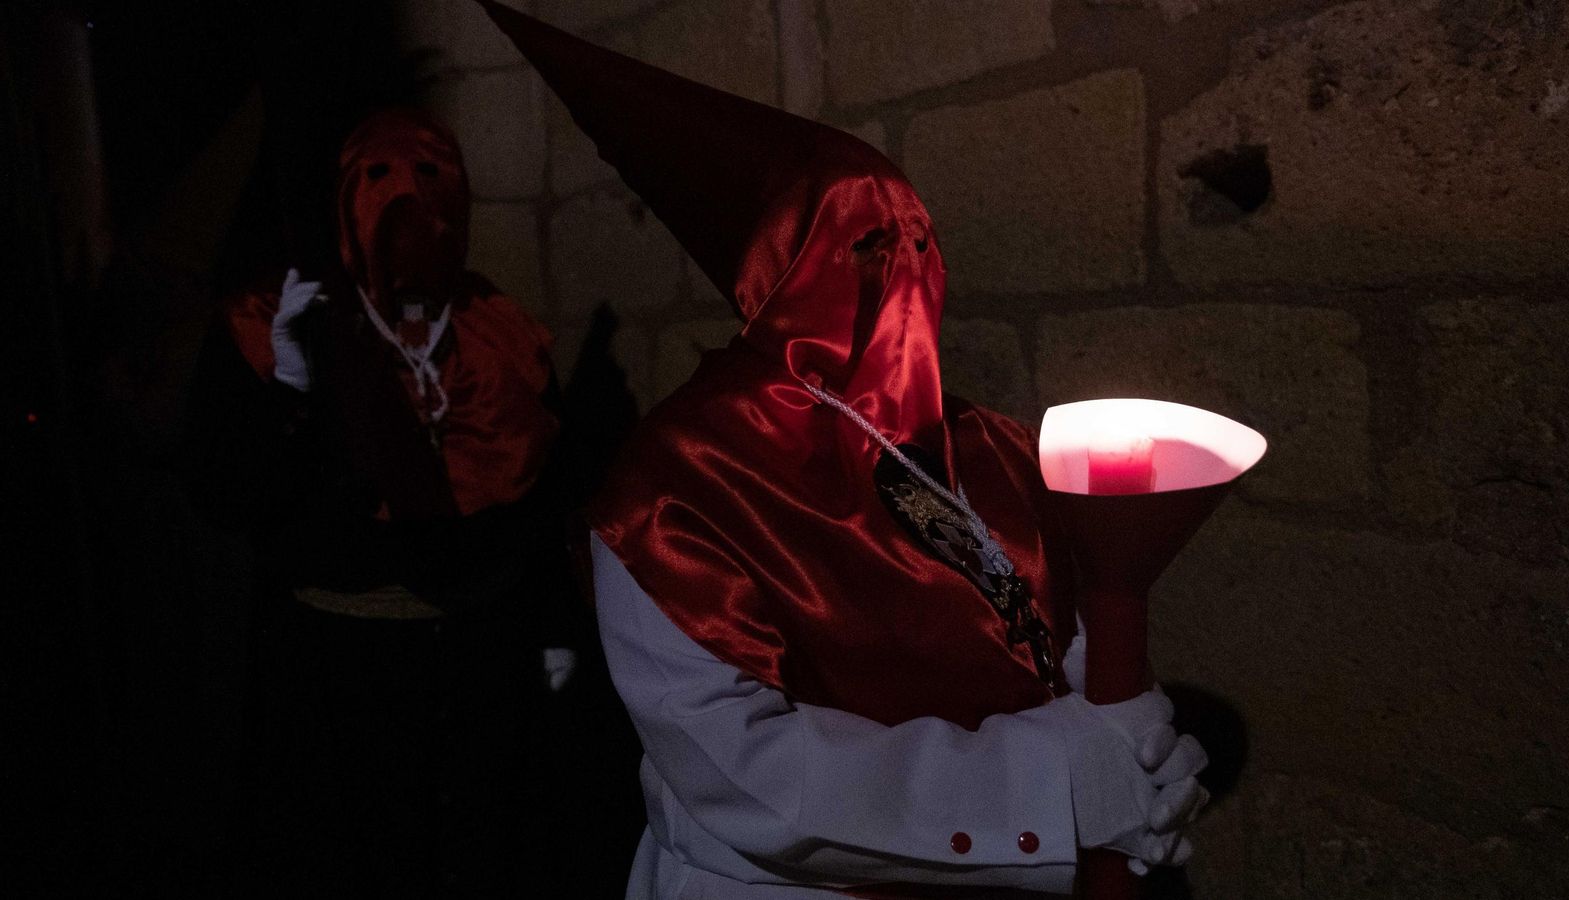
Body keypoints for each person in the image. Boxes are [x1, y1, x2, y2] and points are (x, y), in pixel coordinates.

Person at [476, 3, 1211, 896]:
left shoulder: (991, 448)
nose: (901, 266)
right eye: (863, 243)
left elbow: (1064, 624)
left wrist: (1127, 749)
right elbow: (741, 768)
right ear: (783, 268)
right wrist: (1047, 787)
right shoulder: (674, 486)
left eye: (919, 239)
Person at [185, 108, 579, 897]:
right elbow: (232, 492)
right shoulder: (276, 324)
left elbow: (543, 506)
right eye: (380, 185)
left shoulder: (498, 331)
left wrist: (556, 631)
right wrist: (290, 382)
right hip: (338, 679)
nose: (408, 205)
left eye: (431, 185)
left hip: (479, 667)